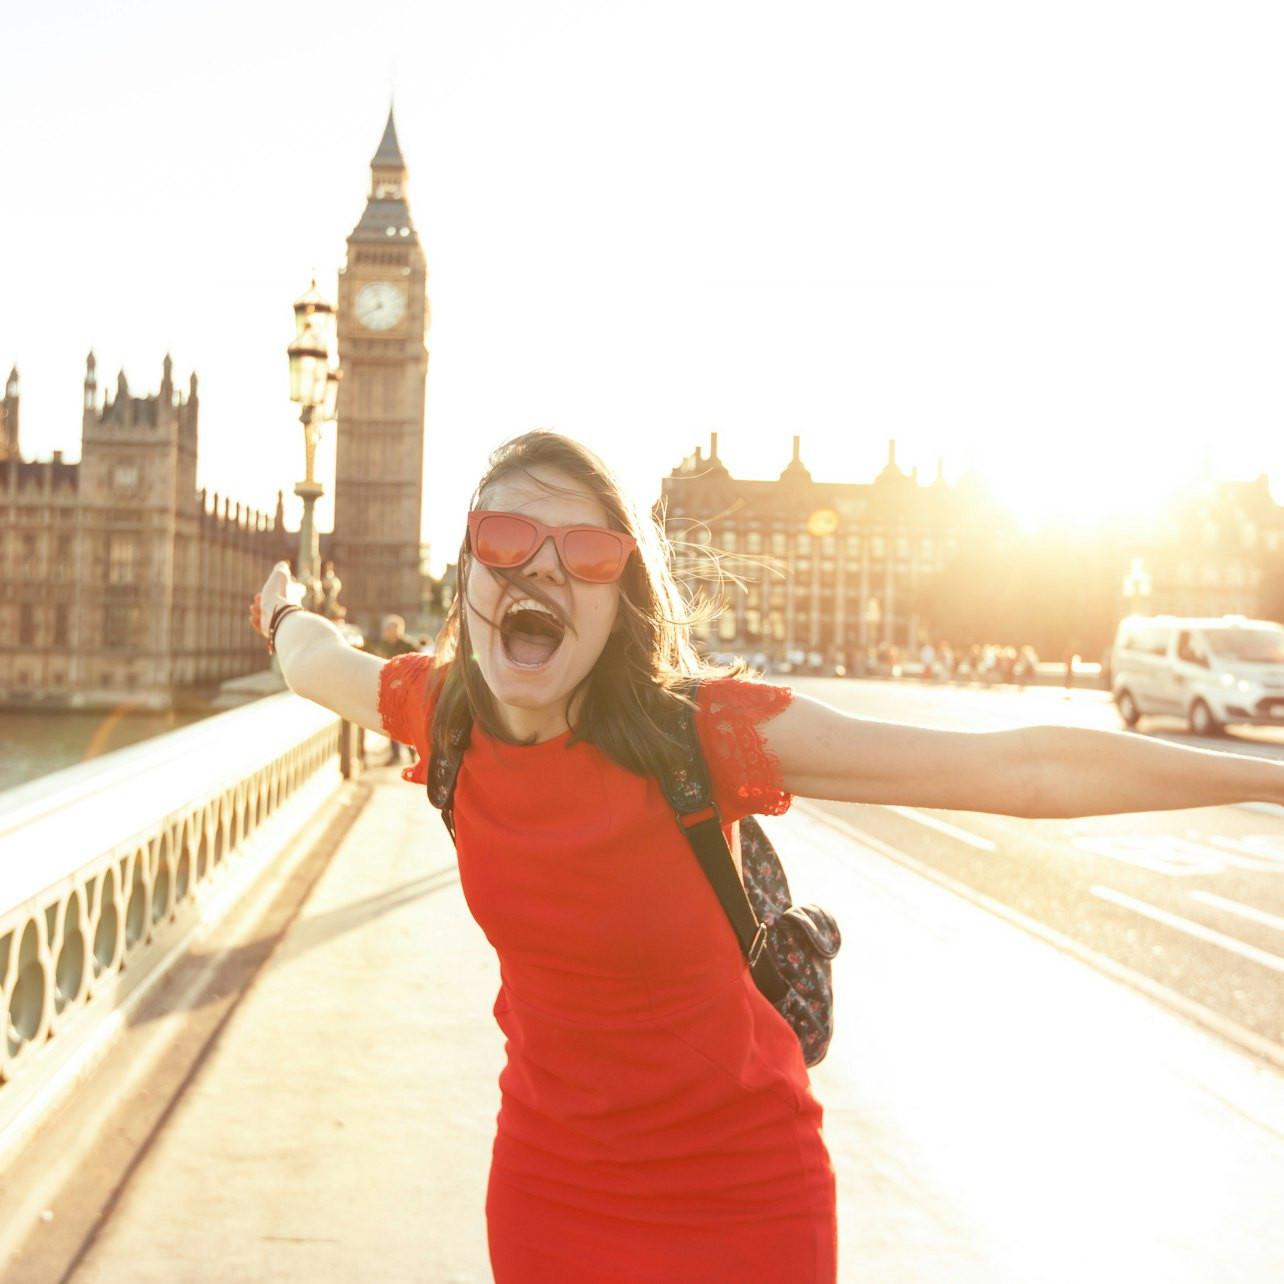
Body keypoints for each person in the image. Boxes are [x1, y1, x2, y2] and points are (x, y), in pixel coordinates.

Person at [249, 431, 1284, 1284]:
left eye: (591, 553)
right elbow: (312, 662)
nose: (544, 566)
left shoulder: (706, 736)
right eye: (509, 535)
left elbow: (1023, 771)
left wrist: (1270, 775)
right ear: (468, 565)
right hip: (549, 1184)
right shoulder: (442, 714)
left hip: (743, 1197)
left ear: (620, 604)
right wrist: (285, 608)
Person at [367, 614, 418, 763]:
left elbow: (418, 662)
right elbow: (379, 661)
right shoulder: (384, 644)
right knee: (391, 722)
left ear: (399, 629)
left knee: (407, 723)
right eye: (387, 628)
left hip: (406, 689)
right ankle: (395, 754)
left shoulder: (408, 645)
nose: (389, 631)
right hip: (390, 690)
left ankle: (412, 752)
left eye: (392, 628)